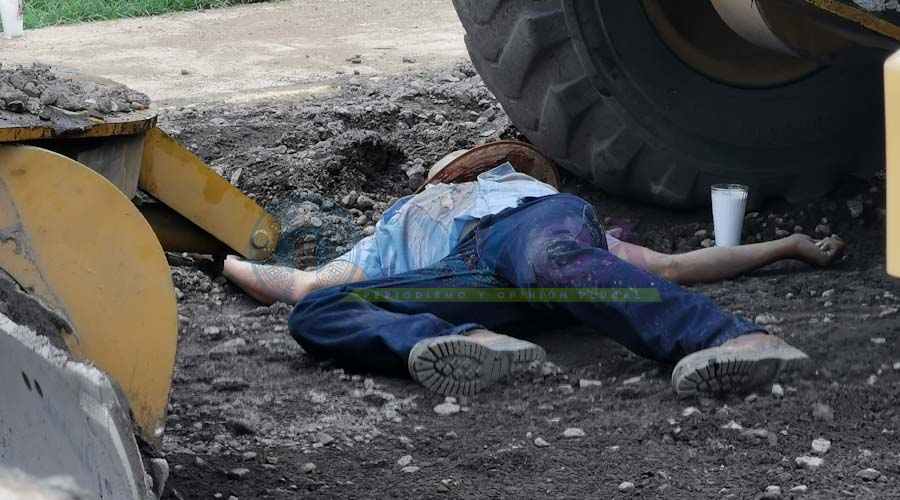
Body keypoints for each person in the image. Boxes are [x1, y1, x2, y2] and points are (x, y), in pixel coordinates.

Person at [224, 154, 845, 398]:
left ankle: (733, 339)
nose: (454, 173)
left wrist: (787, 244)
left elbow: (673, 267)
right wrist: (216, 258)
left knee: (554, 263)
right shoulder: (390, 230)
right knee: (315, 314)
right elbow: (304, 286)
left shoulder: (522, 193)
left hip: (525, 239)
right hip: (462, 276)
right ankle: (468, 342)